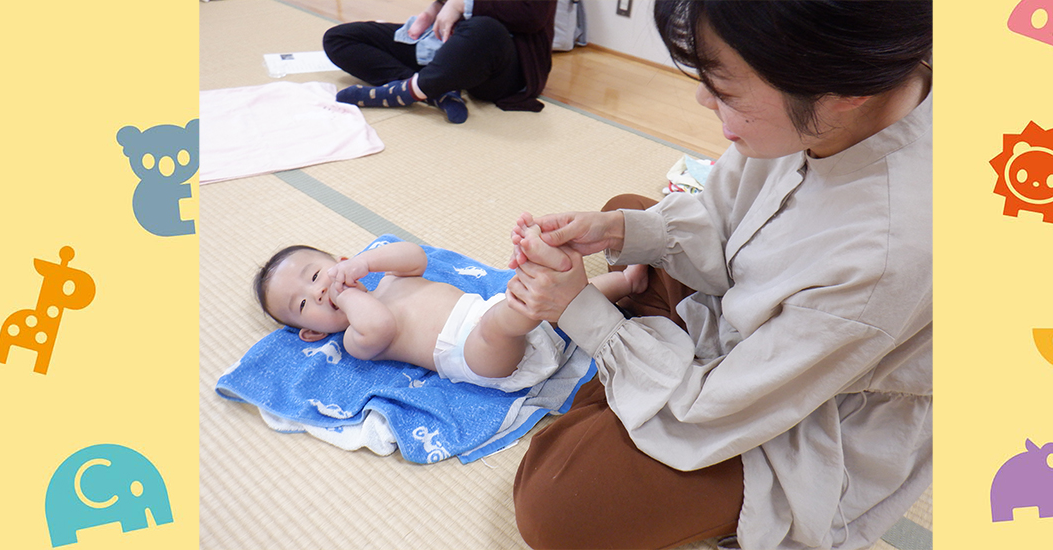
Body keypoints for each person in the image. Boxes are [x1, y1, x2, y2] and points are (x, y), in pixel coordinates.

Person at [505, 1, 933, 548]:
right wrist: (617, 229)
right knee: (630, 211)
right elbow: (727, 218)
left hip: (798, 410)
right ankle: (636, 372)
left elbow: (716, 411)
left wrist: (581, 314)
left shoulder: (889, 249)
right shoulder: (837, 106)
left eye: (725, 90)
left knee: (558, 508)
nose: (704, 99)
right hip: (750, 333)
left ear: (843, 92)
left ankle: (628, 376)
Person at [254, 234, 646, 391]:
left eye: (317, 275)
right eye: (303, 305)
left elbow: (414, 257)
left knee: (561, 304)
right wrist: (345, 295)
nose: (318, 291)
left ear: (343, 261)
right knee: (501, 324)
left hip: (485, 311)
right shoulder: (357, 340)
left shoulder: (388, 281)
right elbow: (380, 323)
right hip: (470, 353)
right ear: (311, 333)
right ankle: (534, 293)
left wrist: (366, 263)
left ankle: (626, 284)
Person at [322, 0, 556, 123]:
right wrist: (435, 9)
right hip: (445, 43)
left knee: (484, 30)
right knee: (339, 38)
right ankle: (433, 89)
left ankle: (405, 92)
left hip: (501, 61)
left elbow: (532, 15)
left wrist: (461, 4)